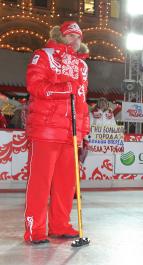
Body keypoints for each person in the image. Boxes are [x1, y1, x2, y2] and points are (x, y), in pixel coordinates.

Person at [24, 21, 90, 244]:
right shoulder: (43, 55)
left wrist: (82, 132)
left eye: (78, 36)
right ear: (60, 36)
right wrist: (63, 89)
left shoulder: (82, 66)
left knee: (66, 184)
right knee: (40, 183)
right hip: (46, 130)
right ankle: (36, 229)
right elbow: (34, 85)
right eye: (70, 35)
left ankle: (60, 224)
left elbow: (81, 101)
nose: (74, 40)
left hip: (70, 134)